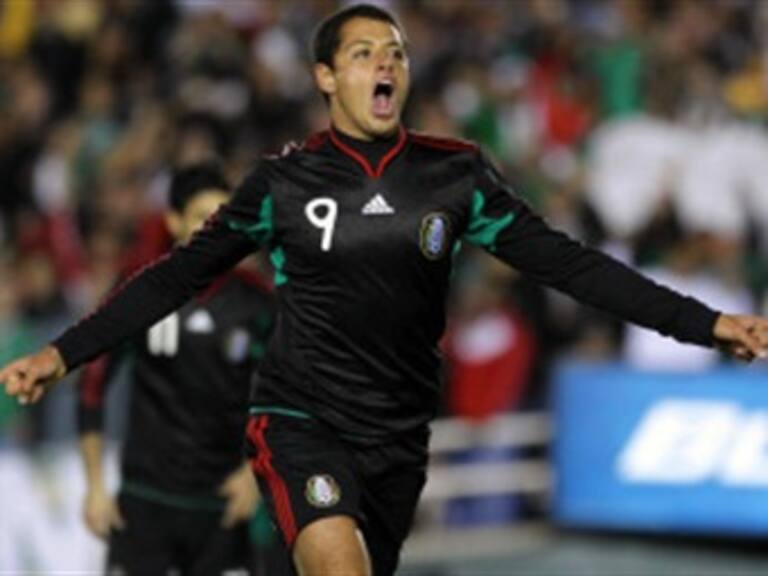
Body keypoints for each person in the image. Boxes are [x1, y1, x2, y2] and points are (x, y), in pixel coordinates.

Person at [3, 5, 768, 576]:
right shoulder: (285, 184)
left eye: (395, 53)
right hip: (301, 421)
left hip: (397, 439)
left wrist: (707, 325)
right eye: (364, 52)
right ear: (326, 77)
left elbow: (572, 266)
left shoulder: (455, 176)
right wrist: (63, 355)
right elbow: (171, 278)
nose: (386, 65)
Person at [77, 162, 275, 575]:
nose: (219, 231)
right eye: (205, 218)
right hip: (144, 501)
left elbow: (290, 393)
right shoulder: (141, 291)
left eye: (226, 219)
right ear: (173, 221)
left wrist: (254, 474)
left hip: (221, 509)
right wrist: (95, 486)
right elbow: (93, 384)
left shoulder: (258, 303)